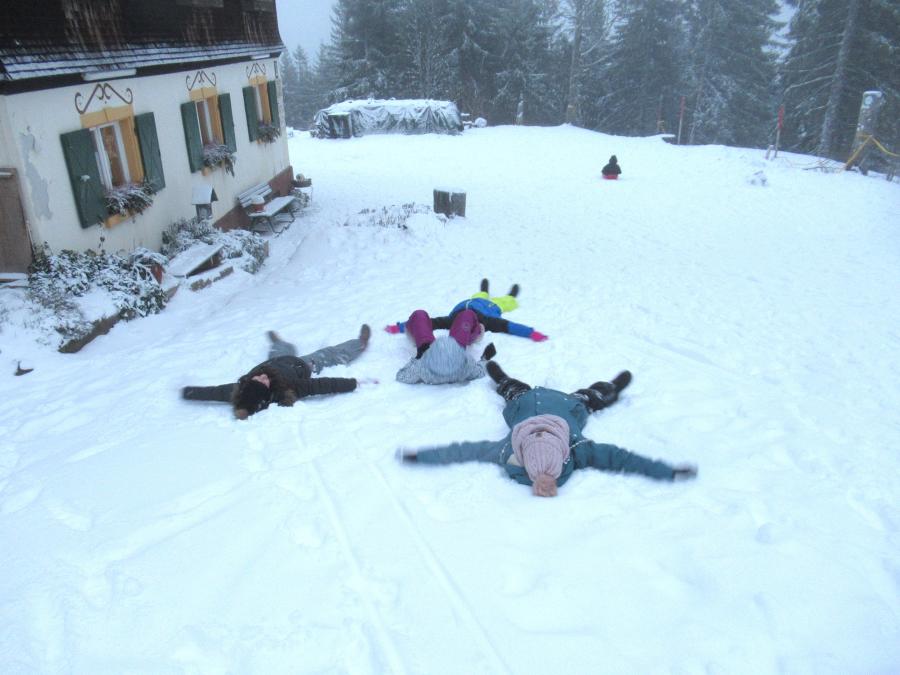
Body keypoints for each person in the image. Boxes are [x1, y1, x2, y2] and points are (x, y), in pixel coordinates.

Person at [400, 361, 697, 497]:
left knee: (515, 391)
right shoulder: (577, 451)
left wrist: (422, 455)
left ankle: (503, 379)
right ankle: (502, 376)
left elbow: (464, 451)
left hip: (529, 403)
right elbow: (622, 459)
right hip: (567, 406)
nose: (540, 432)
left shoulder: (508, 452)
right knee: (589, 398)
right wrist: (666, 472)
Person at [182, 325, 373, 419]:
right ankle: (359, 344)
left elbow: (214, 391)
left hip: (275, 360)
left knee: (279, 349)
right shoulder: (288, 387)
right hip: (301, 365)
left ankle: (279, 342)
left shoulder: (242, 389)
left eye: (257, 378)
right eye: (264, 381)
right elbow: (322, 386)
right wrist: (353, 383)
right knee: (329, 354)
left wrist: (188, 392)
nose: (263, 376)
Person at [385, 279, 548, 342]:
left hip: (482, 304)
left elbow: (509, 326)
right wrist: (399, 327)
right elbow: (427, 322)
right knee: (495, 300)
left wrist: (531, 333)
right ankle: (489, 291)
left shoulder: (453, 321)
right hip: (484, 303)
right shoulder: (486, 321)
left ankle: (511, 295)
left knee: (505, 301)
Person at [393, 307, 498, 385]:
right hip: (456, 356)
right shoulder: (466, 368)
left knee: (419, 314)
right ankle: (475, 331)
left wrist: (418, 359)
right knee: (468, 314)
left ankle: (424, 348)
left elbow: (401, 376)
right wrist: (485, 358)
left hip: (426, 354)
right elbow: (481, 369)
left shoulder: (421, 369)